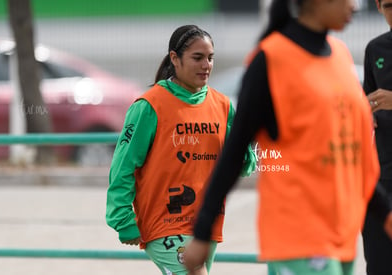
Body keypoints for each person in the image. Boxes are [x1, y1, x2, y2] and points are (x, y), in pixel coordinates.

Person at [183, 1, 386, 275]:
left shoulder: (340, 55)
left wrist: (385, 214)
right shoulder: (271, 59)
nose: (355, 5)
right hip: (298, 235)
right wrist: (203, 230)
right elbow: (235, 149)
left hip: (341, 235)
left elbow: (352, 155)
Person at [105, 24, 255, 275]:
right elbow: (124, 165)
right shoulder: (150, 105)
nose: (206, 65)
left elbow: (242, 166)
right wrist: (122, 219)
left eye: (210, 58)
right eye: (197, 58)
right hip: (165, 223)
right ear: (175, 59)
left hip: (206, 223)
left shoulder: (223, 105)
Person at [362, 1, 392, 274]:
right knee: (379, 265)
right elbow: (367, 101)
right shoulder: (375, 49)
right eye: (390, 5)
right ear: (378, 7)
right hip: (380, 179)